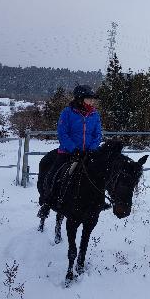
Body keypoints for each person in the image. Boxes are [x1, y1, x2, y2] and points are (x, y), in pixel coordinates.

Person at [37, 85, 103, 218]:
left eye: (92, 99)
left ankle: (99, 201)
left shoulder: (95, 115)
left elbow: (98, 135)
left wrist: (91, 149)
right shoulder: (67, 112)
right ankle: (47, 202)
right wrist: (74, 149)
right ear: (80, 99)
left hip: (88, 153)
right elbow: (62, 133)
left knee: (99, 176)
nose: (92, 101)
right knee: (53, 176)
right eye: (89, 98)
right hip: (68, 153)